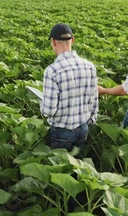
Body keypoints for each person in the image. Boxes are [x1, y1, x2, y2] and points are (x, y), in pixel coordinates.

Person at [41, 23, 99, 154]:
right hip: (83, 127)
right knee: (76, 165)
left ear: (53, 42)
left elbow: (48, 110)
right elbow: (94, 100)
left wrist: (42, 105)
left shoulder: (52, 71)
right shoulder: (89, 66)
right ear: (72, 40)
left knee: (59, 167)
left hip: (62, 131)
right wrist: (89, 122)